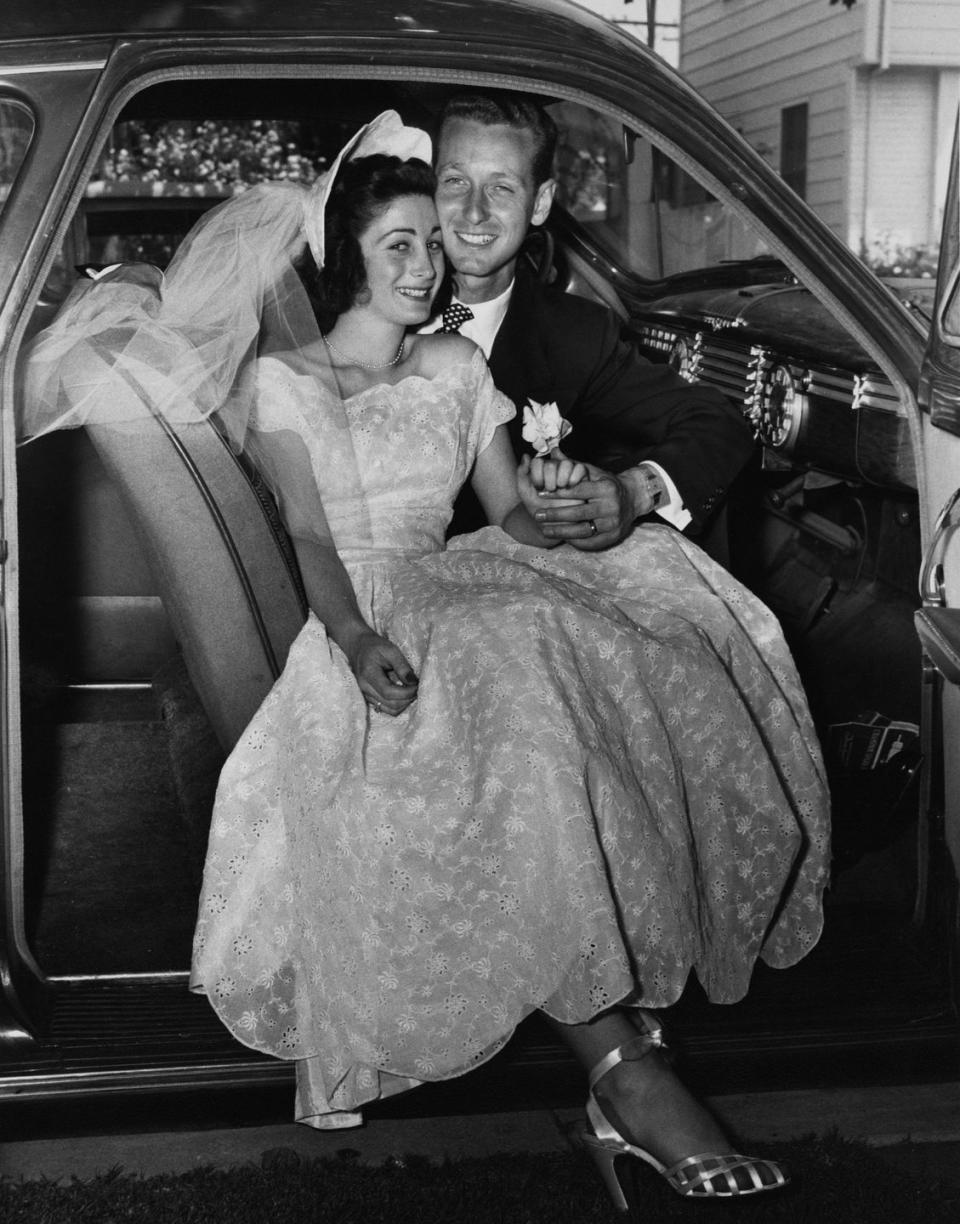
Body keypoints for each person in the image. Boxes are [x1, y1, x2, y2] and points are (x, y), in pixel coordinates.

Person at [19, 112, 829, 1212]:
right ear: (348, 254)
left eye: (429, 244)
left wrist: (571, 506)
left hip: (473, 574)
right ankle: (627, 1069)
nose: (427, 260)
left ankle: (626, 1015)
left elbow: (508, 519)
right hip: (371, 595)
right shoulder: (287, 383)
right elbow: (310, 539)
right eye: (399, 241)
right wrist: (355, 640)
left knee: (636, 635)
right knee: (522, 692)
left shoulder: (456, 366)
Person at [425, 90, 754, 553]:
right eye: (455, 181)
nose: (474, 210)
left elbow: (717, 423)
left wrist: (634, 492)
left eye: (501, 187)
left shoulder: (577, 336)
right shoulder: (359, 311)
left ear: (539, 204)